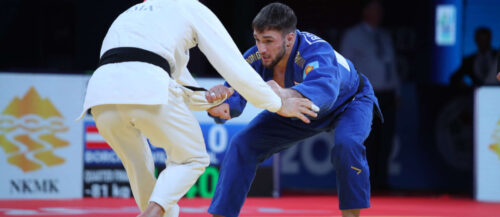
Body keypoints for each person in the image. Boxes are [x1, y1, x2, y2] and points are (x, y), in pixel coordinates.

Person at [77, 0, 318, 217]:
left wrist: (212, 99)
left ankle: (156, 214)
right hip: (148, 84)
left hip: (100, 96)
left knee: (138, 165)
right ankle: (150, 214)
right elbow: (234, 67)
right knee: (192, 158)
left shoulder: (129, 15)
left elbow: (177, 83)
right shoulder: (190, 7)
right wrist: (278, 103)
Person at [206, 3, 381, 217]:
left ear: (289, 39)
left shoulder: (316, 50)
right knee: (242, 144)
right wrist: (219, 103)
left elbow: (325, 91)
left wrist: (283, 95)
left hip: (350, 102)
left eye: (269, 41)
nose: (261, 48)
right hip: (295, 108)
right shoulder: (255, 57)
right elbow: (234, 94)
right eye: (257, 40)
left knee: (347, 144)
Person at [340, 0, 398, 190]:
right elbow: (346, 67)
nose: (378, 13)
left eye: (380, 10)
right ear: (365, 11)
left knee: (386, 140)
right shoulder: (353, 35)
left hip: (388, 93)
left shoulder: (384, 35)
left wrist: (396, 89)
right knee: (368, 140)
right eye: (374, 9)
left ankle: (382, 181)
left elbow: (392, 65)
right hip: (366, 95)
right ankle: (365, 182)